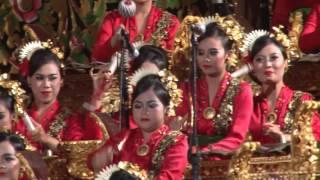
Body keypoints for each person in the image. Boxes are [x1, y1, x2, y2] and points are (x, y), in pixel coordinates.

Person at [175, 19, 253, 157]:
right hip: (188, 159)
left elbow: (237, 136)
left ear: (228, 55)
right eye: (201, 53)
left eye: (213, 53)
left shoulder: (242, 90)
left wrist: (206, 150)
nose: (206, 59)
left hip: (223, 161)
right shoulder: (187, 89)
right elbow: (177, 131)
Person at [89, 73, 188, 179]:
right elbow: (94, 162)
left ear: (166, 109)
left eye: (151, 105)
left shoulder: (176, 141)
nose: (144, 111)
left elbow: (170, 176)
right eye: (138, 106)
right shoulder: (125, 137)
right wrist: (97, 161)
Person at [13, 43, 103, 152]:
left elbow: (82, 154)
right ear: (29, 80)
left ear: (61, 81)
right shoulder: (18, 120)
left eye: (52, 78)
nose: (46, 84)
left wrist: (46, 139)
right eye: (39, 78)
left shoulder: (71, 120)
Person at [248, 33, 320, 144]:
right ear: (253, 68)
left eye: (274, 58)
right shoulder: (248, 106)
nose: (267, 64)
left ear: (286, 63)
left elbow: (316, 137)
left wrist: (285, 138)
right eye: (259, 59)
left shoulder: (302, 101)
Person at [87, 44, 169, 134]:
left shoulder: (166, 103)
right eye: (142, 75)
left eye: (152, 77)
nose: (147, 82)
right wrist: (97, 95)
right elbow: (94, 127)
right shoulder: (121, 95)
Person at [91, 0, 180, 62]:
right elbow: (97, 59)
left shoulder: (171, 22)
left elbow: (175, 65)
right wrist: (114, 41)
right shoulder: (113, 20)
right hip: (119, 86)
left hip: (156, 85)